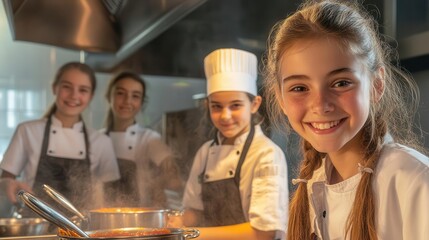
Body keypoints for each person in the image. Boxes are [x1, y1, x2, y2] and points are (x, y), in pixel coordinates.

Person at [263, 0, 429, 239]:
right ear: (280, 98)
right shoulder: (314, 182)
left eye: (341, 83)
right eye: (299, 88)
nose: (320, 105)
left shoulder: (415, 182)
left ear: (376, 85)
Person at [181, 48, 288, 240]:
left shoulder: (267, 154)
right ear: (208, 105)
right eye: (217, 106)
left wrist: (189, 234)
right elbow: (193, 211)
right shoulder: (204, 153)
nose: (225, 116)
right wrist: (172, 225)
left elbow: (265, 233)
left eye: (235, 105)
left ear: (254, 104)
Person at [0, 62, 120, 212]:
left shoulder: (101, 142)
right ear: (54, 87)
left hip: (82, 228)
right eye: (66, 87)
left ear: (91, 96)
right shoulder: (27, 131)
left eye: (83, 90)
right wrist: (7, 184)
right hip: (35, 227)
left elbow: (112, 196)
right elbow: (5, 179)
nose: (74, 95)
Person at [101, 71, 183, 208]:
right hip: (101, 215)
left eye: (135, 96)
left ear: (141, 103)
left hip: (139, 218)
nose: (127, 101)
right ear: (109, 96)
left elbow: (174, 180)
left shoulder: (150, 139)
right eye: (121, 93)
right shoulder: (96, 139)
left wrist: (159, 183)